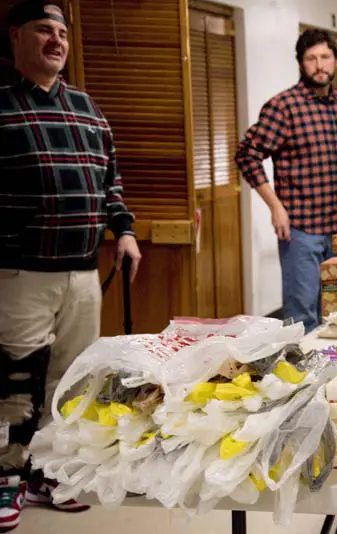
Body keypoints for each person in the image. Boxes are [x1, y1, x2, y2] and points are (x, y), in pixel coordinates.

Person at [0, 1, 141, 530]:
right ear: (17, 38)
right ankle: (6, 478)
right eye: (43, 31)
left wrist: (123, 231)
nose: (56, 40)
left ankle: (48, 472)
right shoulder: (3, 108)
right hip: (20, 274)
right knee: (17, 382)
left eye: (62, 32)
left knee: (70, 381)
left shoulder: (86, 108)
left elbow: (112, 181)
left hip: (83, 273)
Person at [236, 28, 337, 334]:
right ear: (301, 63)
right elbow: (247, 155)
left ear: (335, 61)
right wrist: (275, 207)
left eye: (325, 57)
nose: (319, 65)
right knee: (302, 319)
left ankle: (336, 378)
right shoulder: (283, 107)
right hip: (301, 230)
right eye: (311, 58)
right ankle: (303, 381)